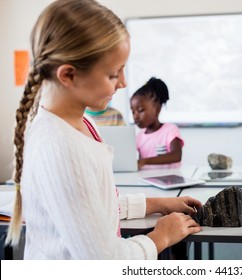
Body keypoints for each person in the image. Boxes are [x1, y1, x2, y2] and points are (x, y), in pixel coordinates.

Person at [6, 0, 201, 259]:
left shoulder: (82, 124)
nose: (123, 82)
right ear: (68, 75)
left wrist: (157, 204)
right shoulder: (61, 147)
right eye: (113, 74)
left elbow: (92, 208)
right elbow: (104, 260)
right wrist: (160, 237)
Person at [130, 77, 183, 170]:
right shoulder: (139, 137)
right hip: (145, 181)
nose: (135, 116)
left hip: (170, 181)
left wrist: (145, 161)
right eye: (133, 111)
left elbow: (176, 155)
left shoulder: (170, 130)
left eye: (140, 110)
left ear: (157, 109)